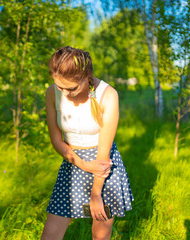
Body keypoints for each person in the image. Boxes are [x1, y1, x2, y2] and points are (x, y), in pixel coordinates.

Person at [41, 46, 134, 240]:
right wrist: (82, 164)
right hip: (71, 162)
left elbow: (103, 157)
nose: (66, 94)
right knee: (50, 235)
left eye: (72, 88)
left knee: (100, 235)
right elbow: (56, 140)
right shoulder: (52, 94)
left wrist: (96, 195)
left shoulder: (108, 95)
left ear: (87, 76)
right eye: (60, 87)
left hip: (104, 169)